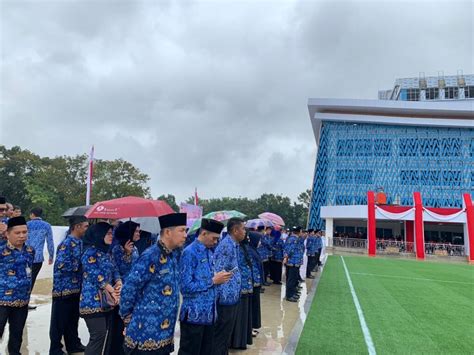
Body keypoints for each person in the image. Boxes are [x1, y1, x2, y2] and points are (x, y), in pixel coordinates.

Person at [119, 212, 187, 355]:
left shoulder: (172, 255)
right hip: (145, 334)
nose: (185, 235)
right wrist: (127, 318)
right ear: (168, 232)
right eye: (181, 230)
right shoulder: (150, 255)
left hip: (164, 334)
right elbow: (129, 289)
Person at [178, 218, 230, 355]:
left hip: (210, 315)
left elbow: (208, 277)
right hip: (193, 316)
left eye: (217, 239)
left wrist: (219, 277)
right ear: (204, 233)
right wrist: (212, 281)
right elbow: (185, 287)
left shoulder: (209, 252)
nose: (216, 242)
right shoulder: (189, 253)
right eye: (214, 238)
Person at [80, 222, 121, 355]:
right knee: (98, 335)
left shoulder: (107, 253)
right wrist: (110, 288)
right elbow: (94, 274)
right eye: (108, 233)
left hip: (106, 302)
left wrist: (119, 282)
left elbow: (114, 269)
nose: (111, 236)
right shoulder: (89, 253)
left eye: (112, 233)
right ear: (99, 234)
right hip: (92, 301)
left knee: (104, 336)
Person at [49, 216, 89, 355]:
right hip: (63, 289)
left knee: (72, 320)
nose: (87, 229)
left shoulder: (81, 242)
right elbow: (61, 265)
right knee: (58, 322)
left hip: (76, 288)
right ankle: (55, 349)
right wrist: (81, 265)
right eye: (85, 226)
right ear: (77, 226)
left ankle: (73, 344)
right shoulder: (66, 244)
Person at [0, 216, 35, 355]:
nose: (22, 236)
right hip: (2, 300)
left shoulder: (30, 251)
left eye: (24, 232)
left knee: (17, 334)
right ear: (7, 234)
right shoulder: (1, 251)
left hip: (22, 301)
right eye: (17, 233)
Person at [213, 217, 245, 355]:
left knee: (226, 334)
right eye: (243, 229)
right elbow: (218, 271)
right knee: (221, 334)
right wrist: (222, 295)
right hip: (225, 299)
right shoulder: (226, 245)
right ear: (235, 230)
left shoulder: (234, 245)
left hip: (232, 297)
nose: (245, 232)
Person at [110, 221, 140, 355]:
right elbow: (116, 270)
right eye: (136, 231)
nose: (138, 233)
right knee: (119, 325)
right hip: (121, 291)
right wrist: (126, 254)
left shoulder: (136, 249)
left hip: (134, 291)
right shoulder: (117, 249)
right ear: (129, 233)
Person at [230, 233, 253, 350]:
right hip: (240, 287)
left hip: (246, 286)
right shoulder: (236, 248)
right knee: (239, 314)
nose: (247, 237)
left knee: (244, 314)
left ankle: (242, 340)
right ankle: (237, 342)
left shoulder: (244, 248)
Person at [26, 207, 55, 293]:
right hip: (38, 258)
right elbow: (50, 241)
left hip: (26, 256)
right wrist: (51, 256)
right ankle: (27, 300)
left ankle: (21, 301)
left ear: (32, 214)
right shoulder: (47, 225)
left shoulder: (26, 225)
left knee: (24, 277)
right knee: (33, 278)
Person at [247, 231, 263, 337]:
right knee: (252, 307)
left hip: (256, 283)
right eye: (259, 240)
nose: (260, 242)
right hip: (252, 284)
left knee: (255, 306)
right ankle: (250, 328)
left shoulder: (253, 250)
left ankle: (252, 327)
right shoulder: (249, 251)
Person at [283, 227, 303, 302]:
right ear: (298, 232)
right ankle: (289, 295)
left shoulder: (292, 238)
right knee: (291, 279)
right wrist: (286, 258)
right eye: (301, 231)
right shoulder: (294, 239)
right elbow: (290, 250)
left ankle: (292, 293)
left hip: (295, 262)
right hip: (293, 262)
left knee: (293, 279)